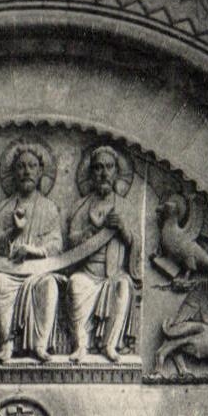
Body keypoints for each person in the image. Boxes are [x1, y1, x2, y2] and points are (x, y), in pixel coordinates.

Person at [0, 142, 62, 363]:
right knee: (0, 282)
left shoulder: (48, 207)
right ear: (13, 173)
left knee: (49, 285)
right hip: (10, 271)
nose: (27, 171)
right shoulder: (5, 207)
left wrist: (33, 250)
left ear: (40, 172)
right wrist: (15, 230)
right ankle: (6, 345)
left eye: (32, 166)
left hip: (39, 272)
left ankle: (41, 345)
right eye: (21, 167)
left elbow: (57, 244)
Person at [66, 145, 137, 364]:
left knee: (123, 287)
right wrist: (91, 232)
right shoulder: (81, 207)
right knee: (75, 284)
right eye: (97, 168)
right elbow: (71, 242)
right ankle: (81, 345)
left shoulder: (125, 206)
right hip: (88, 273)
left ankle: (110, 344)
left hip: (114, 274)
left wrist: (124, 229)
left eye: (109, 167)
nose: (104, 173)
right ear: (91, 174)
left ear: (117, 172)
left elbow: (137, 246)